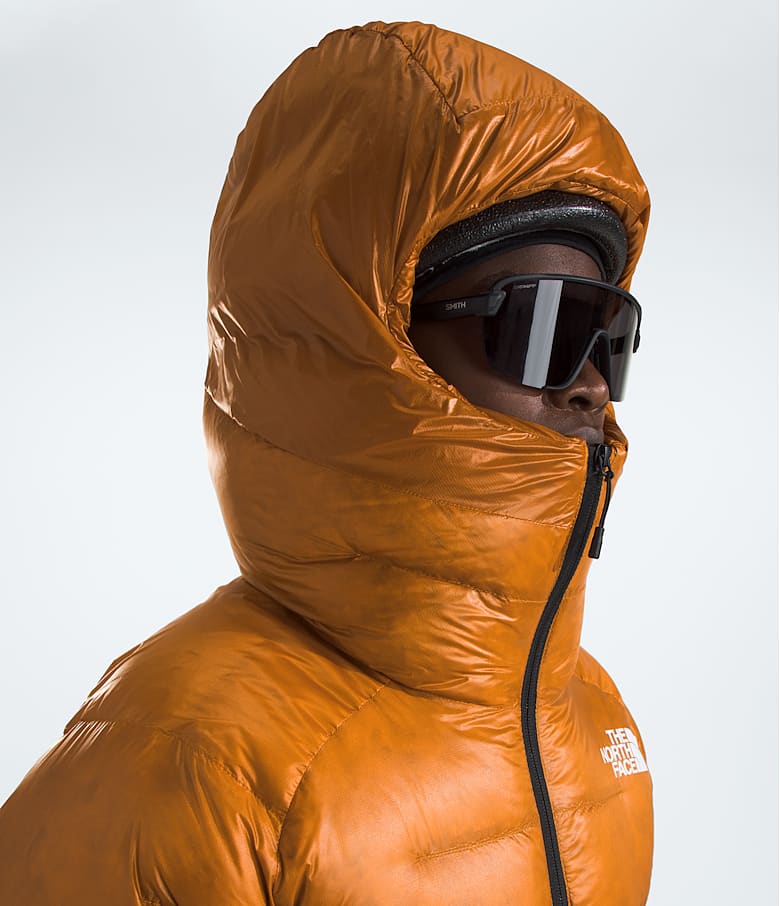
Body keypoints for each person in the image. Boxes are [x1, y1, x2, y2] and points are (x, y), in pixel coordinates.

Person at [0, 21, 653, 905]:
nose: (591, 385)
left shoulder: (596, 719)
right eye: (542, 324)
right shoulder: (189, 764)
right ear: (363, 354)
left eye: (608, 333)